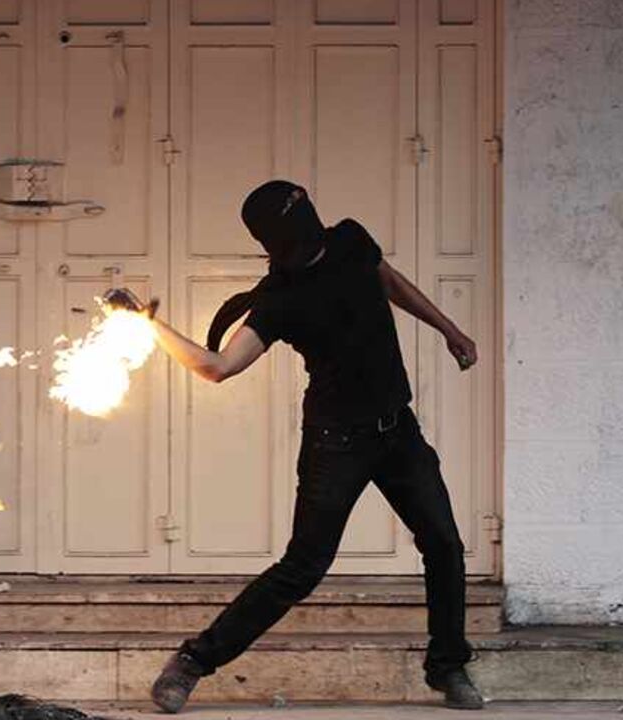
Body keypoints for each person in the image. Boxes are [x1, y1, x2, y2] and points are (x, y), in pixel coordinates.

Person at [144, 179, 483, 712]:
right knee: (302, 569)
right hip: (336, 444)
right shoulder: (278, 301)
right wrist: (147, 326)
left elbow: (389, 281)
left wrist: (449, 328)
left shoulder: (349, 240)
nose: (314, 244)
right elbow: (217, 368)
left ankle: (448, 667)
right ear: (274, 245)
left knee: (444, 545)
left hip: (398, 431)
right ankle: (191, 662)